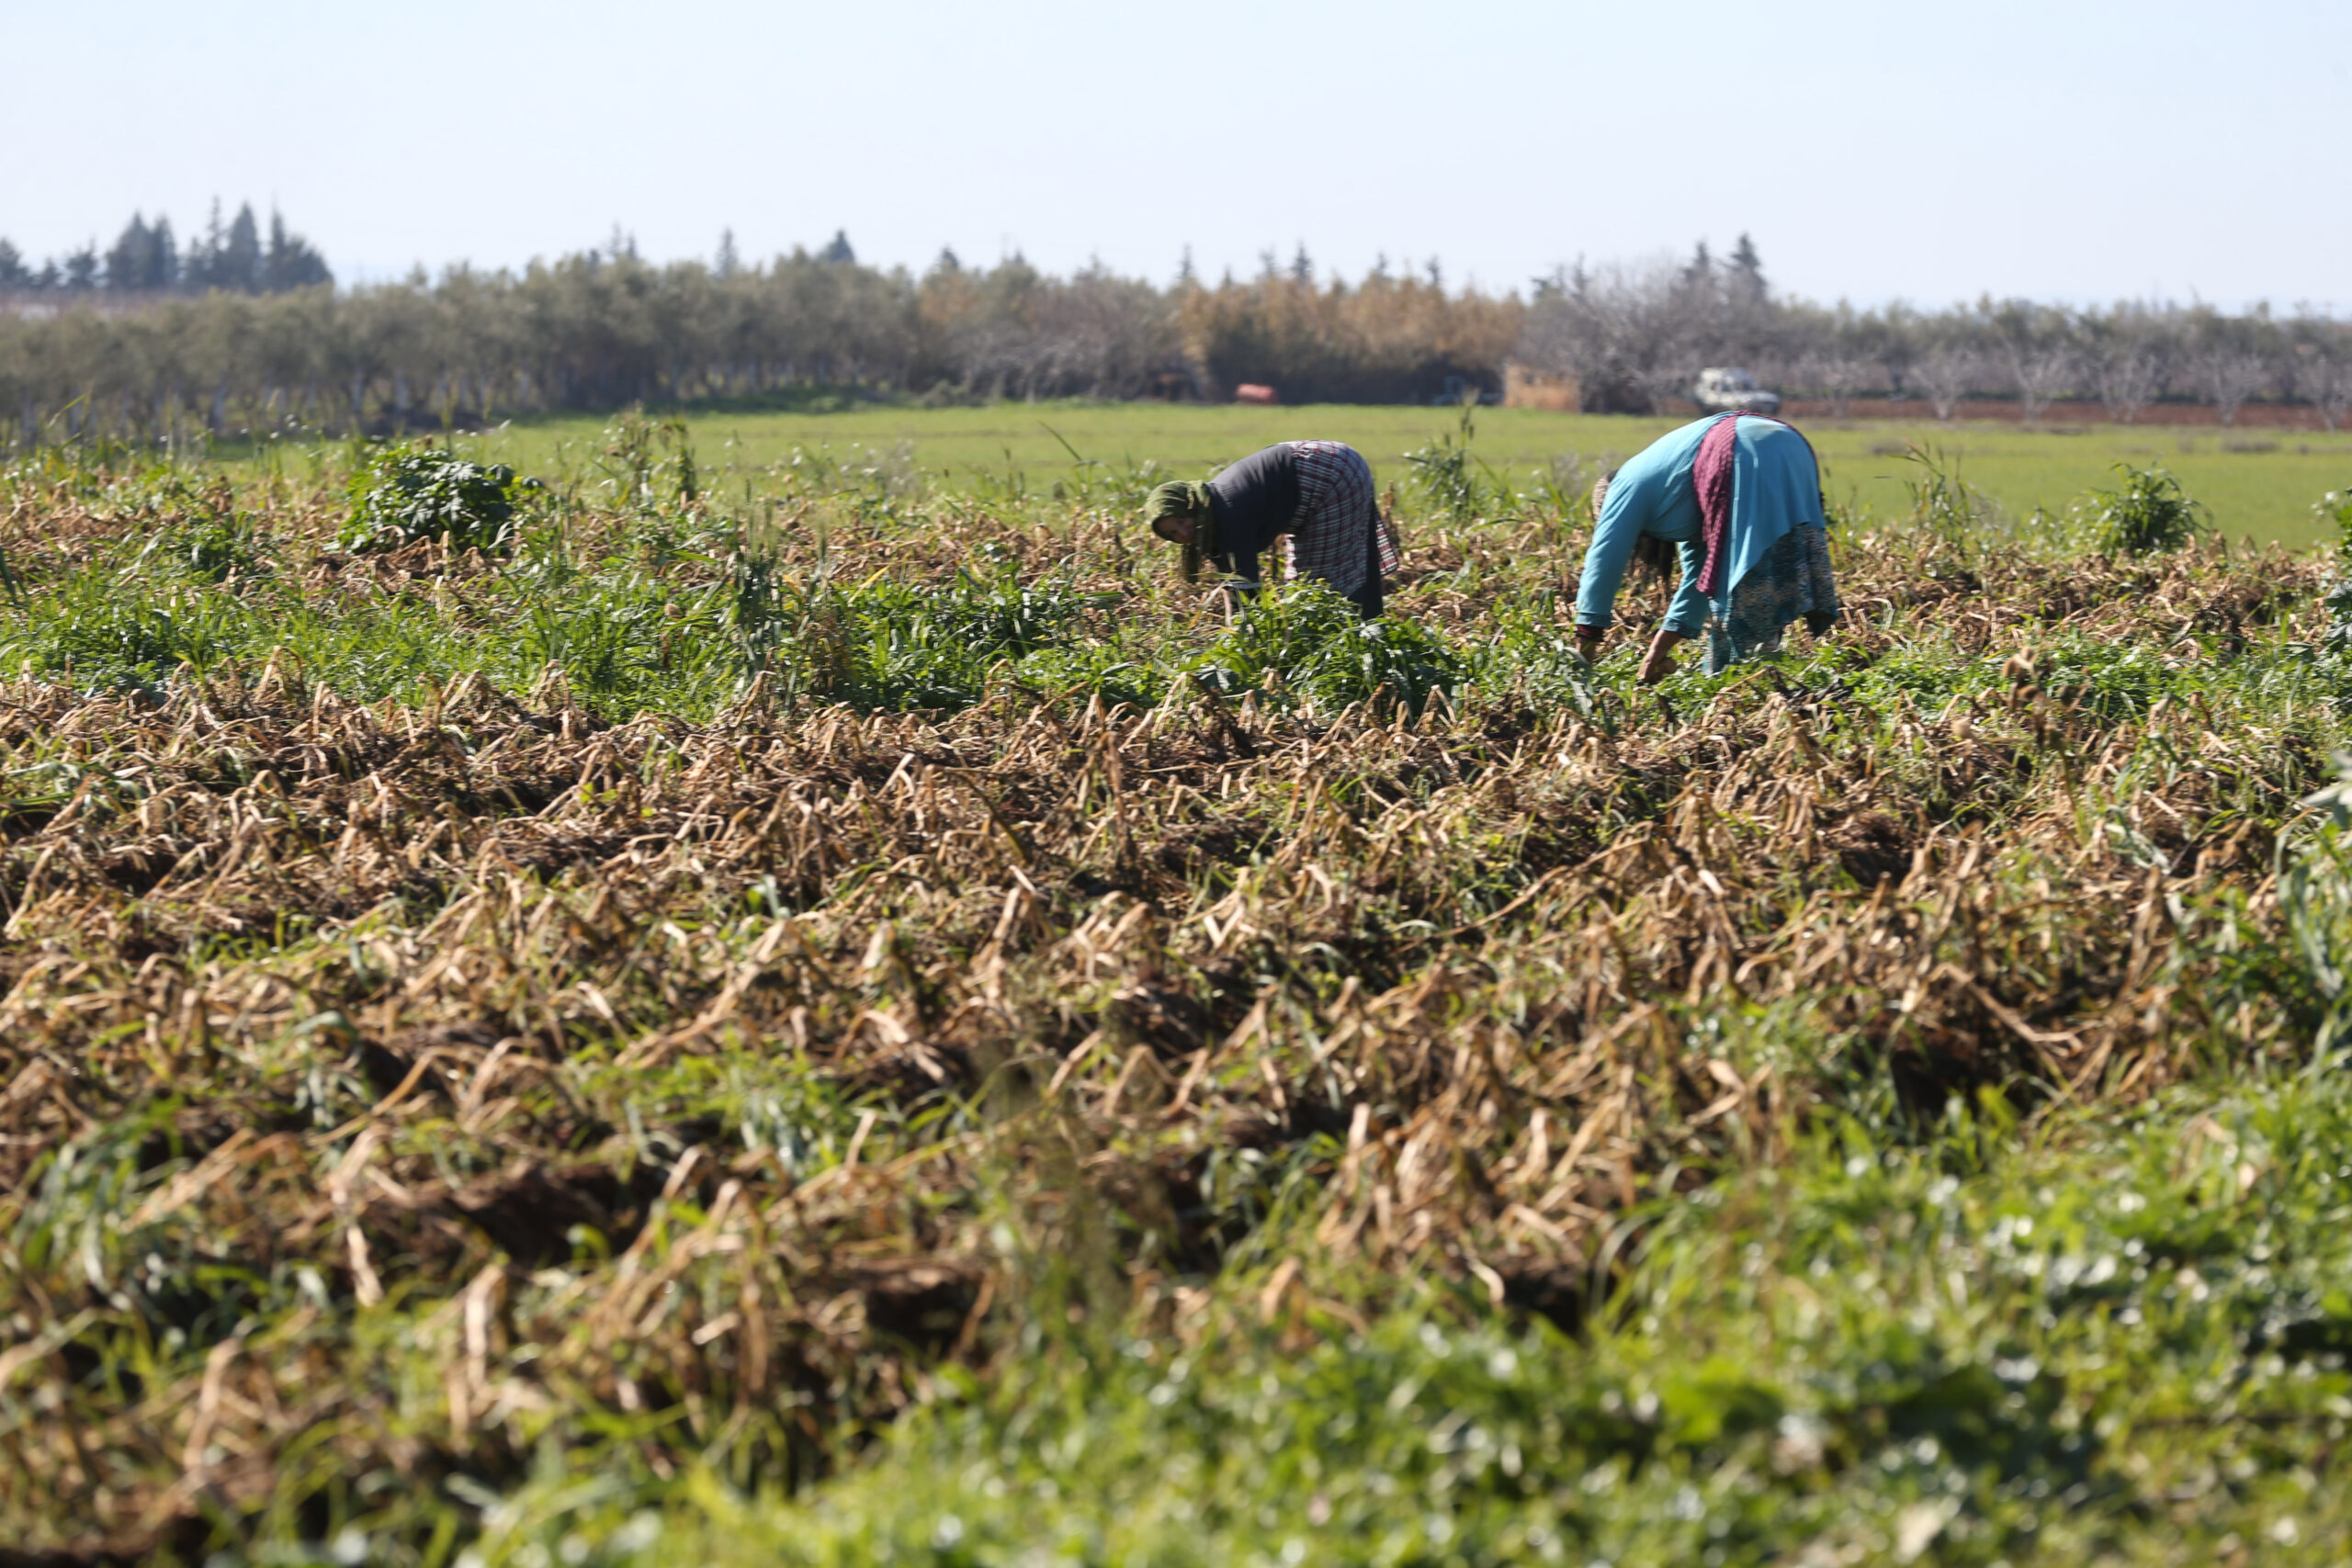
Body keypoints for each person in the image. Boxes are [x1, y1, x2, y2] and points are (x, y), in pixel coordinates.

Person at [1573, 412, 1839, 682]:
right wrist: (1657, 651)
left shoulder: (1623, 487)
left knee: (1746, 591)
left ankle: (1751, 682)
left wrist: (1582, 657)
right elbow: (1700, 579)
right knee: (1771, 564)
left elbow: (1603, 565)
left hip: (1741, 450)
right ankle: (1765, 676)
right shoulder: (1675, 496)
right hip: (1791, 444)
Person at [1142, 440, 1398, 618]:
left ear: (1190, 504)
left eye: (1180, 521)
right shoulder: (1208, 516)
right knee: (1312, 584)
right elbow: (1233, 585)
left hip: (1331, 474)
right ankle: (1363, 626)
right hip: (1322, 461)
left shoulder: (1227, 515)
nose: (1183, 534)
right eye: (1173, 534)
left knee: (1316, 585)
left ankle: (1356, 637)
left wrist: (1244, 643)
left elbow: (1245, 591)